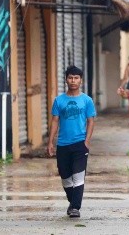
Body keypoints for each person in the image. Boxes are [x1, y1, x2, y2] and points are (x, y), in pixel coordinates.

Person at [47, 65, 96, 219]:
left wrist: (87, 141)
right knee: (65, 177)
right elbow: (55, 121)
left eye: (76, 78)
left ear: (80, 80)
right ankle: (72, 201)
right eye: (70, 77)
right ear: (66, 79)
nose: (73, 80)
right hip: (63, 144)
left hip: (80, 143)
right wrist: (50, 142)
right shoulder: (59, 100)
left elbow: (91, 121)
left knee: (78, 176)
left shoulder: (87, 100)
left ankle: (75, 207)